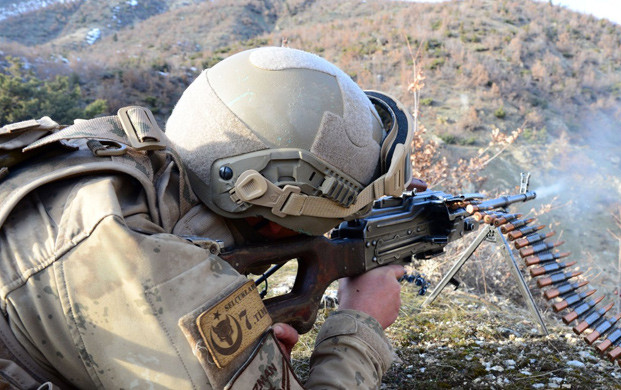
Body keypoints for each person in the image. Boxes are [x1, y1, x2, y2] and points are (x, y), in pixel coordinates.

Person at [0, 46, 414, 389]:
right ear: (276, 214)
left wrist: (250, 361)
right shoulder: (158, 274)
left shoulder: (114, 168)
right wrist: (359, 325)